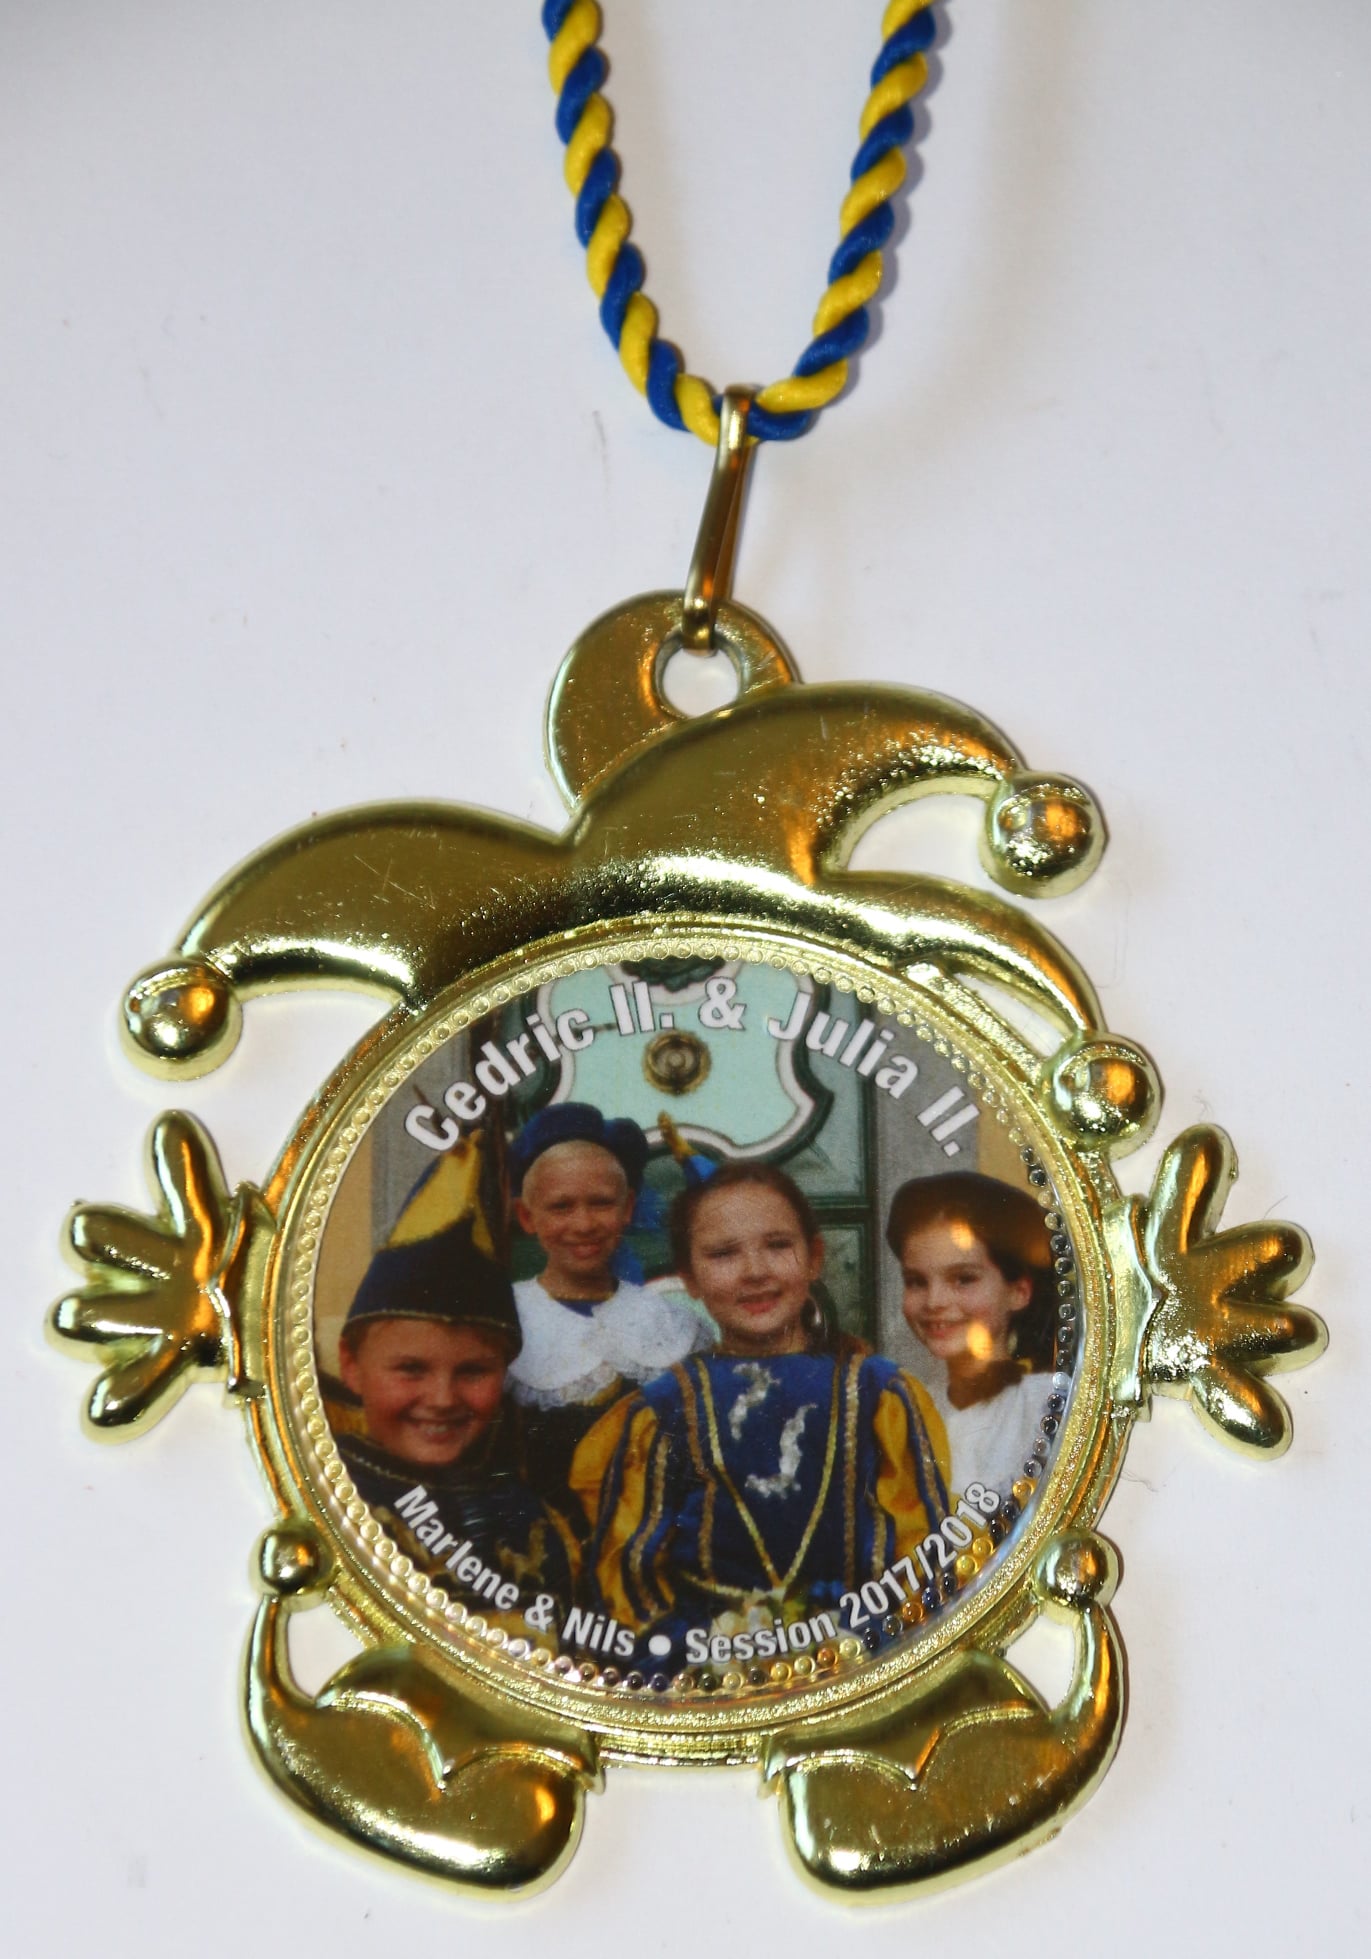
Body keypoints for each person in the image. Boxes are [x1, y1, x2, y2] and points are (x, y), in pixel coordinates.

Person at [570, 1164, 951, 1657]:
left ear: (814, 1258)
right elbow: (631, 1579)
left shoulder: (880, 1396)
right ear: (689, 1277)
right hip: (709, 1670)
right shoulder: (663, 1411)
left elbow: (923, 1557)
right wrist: (705, 1660)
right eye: (723, 1254)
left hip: (858, 1661)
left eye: (777, 1246)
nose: (754, 1271)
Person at [322, 1217, 576, 1621]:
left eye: (473, 1371)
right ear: (351, 1365)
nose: (443, 1400)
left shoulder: (530, 1518)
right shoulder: (329, 1499)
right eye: (411, 1369)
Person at [507, 1103, 711, 1506]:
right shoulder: (506, 1319)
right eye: (561, 1207)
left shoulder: (675, 1328)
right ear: (527, 1217)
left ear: (628, 1209)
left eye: (601, 1203)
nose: (584, 1224)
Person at [886, 1171, 1056, 1501]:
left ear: (1018, 1291)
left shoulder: (1049, 1406)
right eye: (917, 1281)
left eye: (963, 1279)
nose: (935, 1301)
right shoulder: (904, 1417)